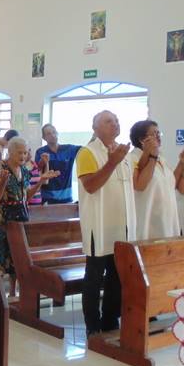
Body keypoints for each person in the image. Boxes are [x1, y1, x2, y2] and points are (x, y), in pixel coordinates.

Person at [76, 111, 136, 336]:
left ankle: (110, 321)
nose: (115, 124)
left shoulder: (123, 151)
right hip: (99, 225)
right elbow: (90, 186)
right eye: (109, 121)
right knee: (94, 277)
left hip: (121, 226)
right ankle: (92, 326)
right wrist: (111, 163)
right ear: (95, 128)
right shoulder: (87, 152)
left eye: (117, 121)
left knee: (116, 276)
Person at [0, 137, 59, 282]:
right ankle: (0, 289)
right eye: (19, 152)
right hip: (4, 217)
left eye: (25, 153)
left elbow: (26, 196)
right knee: (2, 254)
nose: (23, 156)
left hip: (21, 215)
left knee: (19, 255)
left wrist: (40, 181)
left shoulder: (24, 170)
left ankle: (14, 289)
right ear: (10, 152)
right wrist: (3, 182)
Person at [128, 120, 182, 240]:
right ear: (142, 139)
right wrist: (152, 157)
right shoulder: (132, 158)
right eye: (154, 134)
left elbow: (170, 185)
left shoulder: (162, 158)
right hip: (149, 221)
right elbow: (140, 186)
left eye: (159, 133)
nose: (158, 136)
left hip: (168, 219)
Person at [35, 124, 81, 204]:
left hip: (67, 198)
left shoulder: (69, 149)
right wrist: (43, 162)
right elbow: (37, 171)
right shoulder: (40, 152)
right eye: (48, 134)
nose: (52, 135)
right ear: (44, 137)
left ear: (57, 133)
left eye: (54, 132)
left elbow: (86, 150)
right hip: (47, 199)